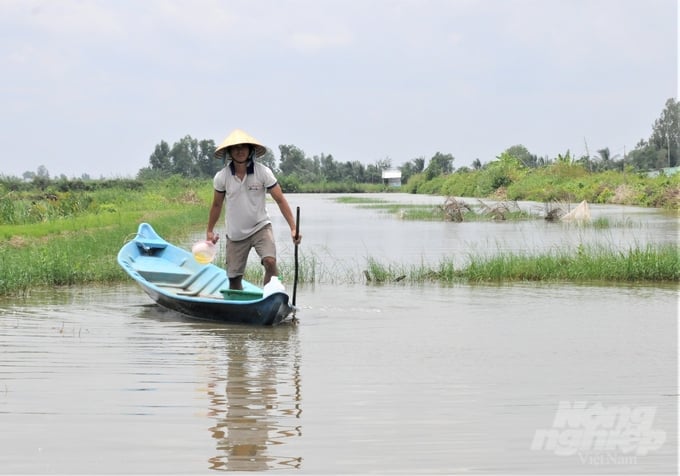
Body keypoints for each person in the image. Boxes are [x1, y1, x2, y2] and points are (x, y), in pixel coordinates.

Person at [206, 128, 301, 290]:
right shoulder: (222, 177)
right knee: (234, 279)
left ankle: (270, 296)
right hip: (235, 233)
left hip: (260, 227)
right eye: (235, 147)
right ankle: (238, 306)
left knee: (270, 261)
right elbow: (216, 205)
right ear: (229, 152)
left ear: (250, 150)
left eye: (243, 147)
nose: (240, 150)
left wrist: (293, 228)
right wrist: (209, 230)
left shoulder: (262, 172)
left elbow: (280, 199)